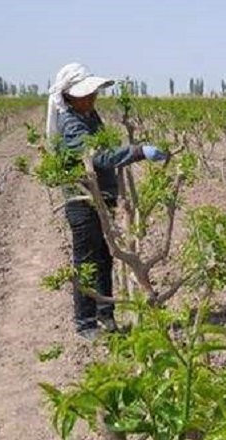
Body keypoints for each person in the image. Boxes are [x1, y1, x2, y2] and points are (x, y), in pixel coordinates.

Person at [46, 62, 168, 341]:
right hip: (83, 200)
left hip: (101, 197)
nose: (92, 98)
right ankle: (85, 322)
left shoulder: (88, 114)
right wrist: (139, 151)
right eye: (85, 94)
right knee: (87, 259)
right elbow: (99, 156)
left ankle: (106, 313)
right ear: (68, 96)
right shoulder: (71, 123)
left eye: (92, 93)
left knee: (105, 256)